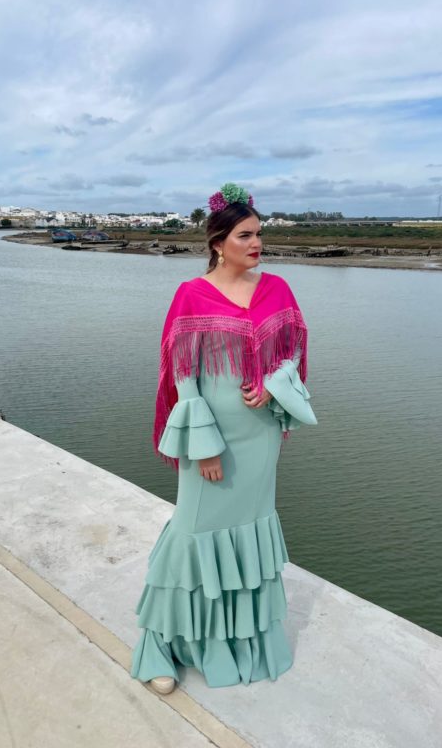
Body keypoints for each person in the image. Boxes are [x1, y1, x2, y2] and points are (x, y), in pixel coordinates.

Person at [130, 183, 317, 694]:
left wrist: (272, 389)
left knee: (248, 531)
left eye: (260, 234)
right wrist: (204, 445)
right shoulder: (191, 294)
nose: (257, 244)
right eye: (245, 235)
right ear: (218, 242)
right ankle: (163, 644)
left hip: (259, 437)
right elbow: (183, 374)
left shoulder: (277, 288)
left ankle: (238, 642)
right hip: (210, 440)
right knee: (192, 534)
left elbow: (291, 353)